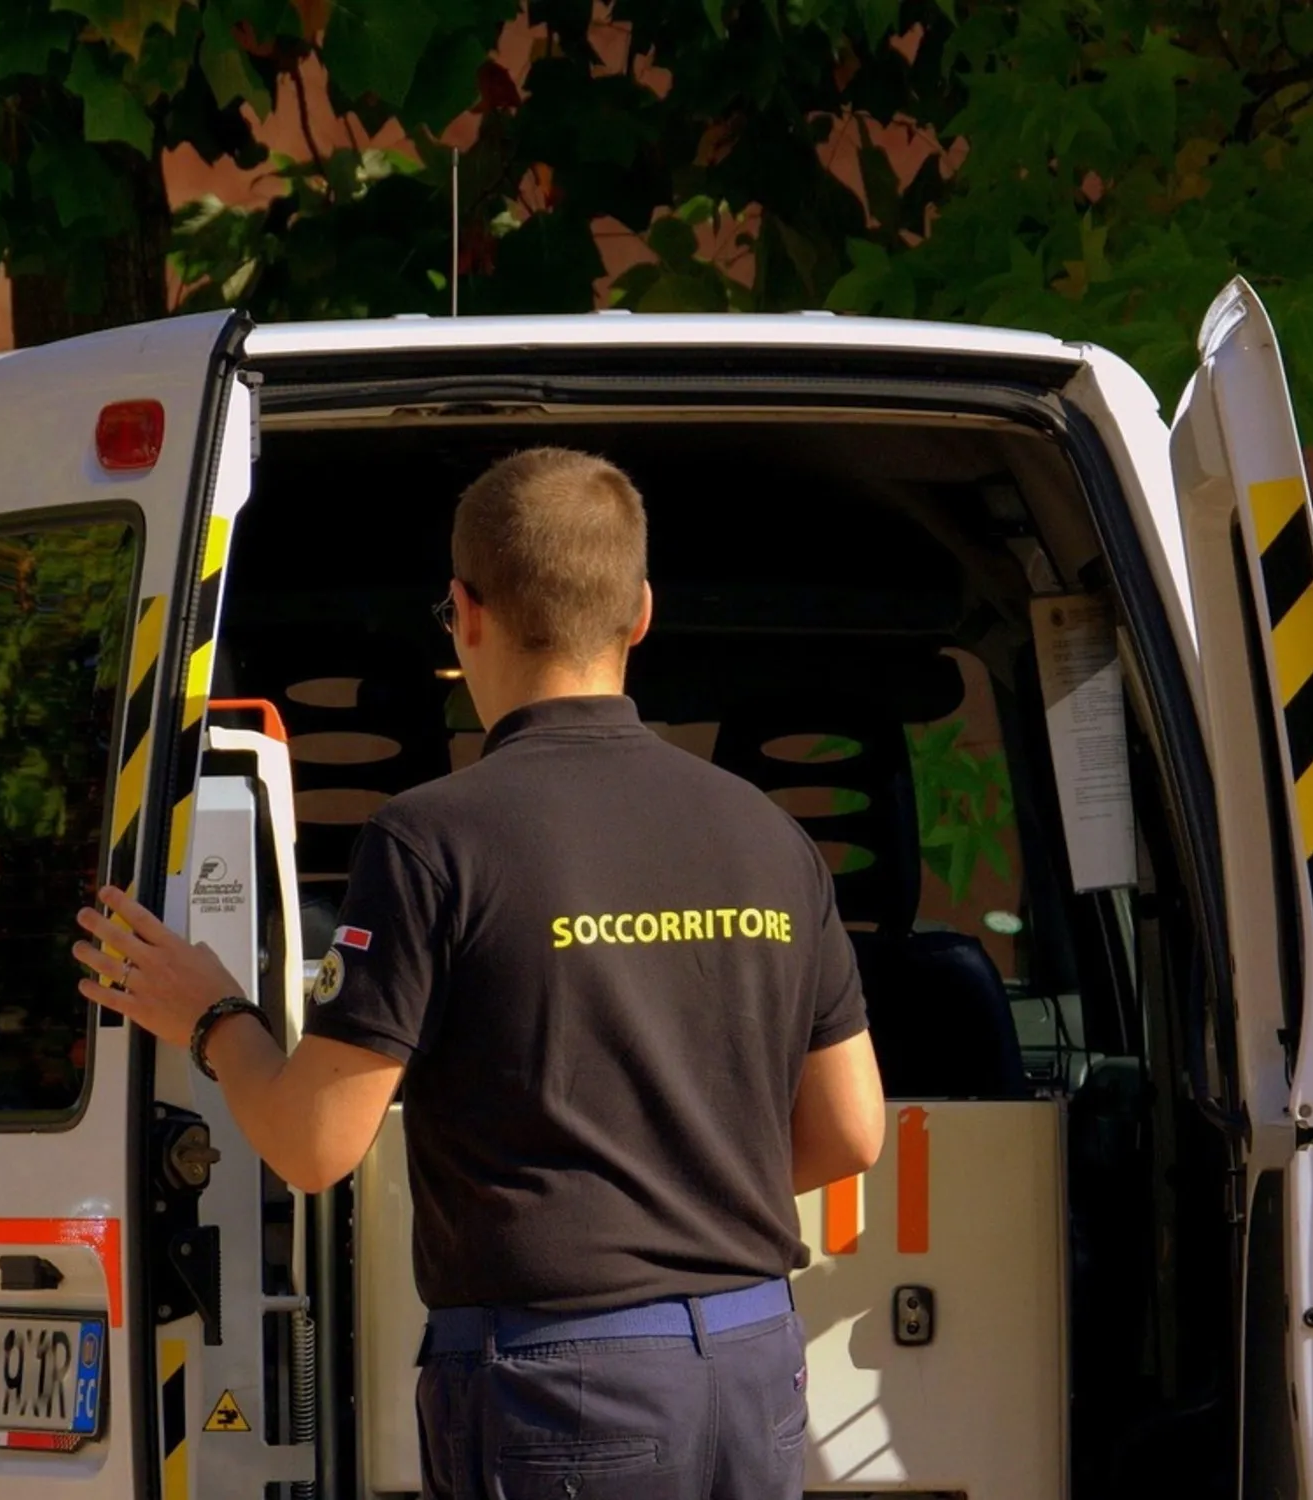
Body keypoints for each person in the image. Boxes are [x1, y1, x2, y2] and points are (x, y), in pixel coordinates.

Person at [74, 446, 887, 1500]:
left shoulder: (432, 840)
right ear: (638, 612)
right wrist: (672, 1191)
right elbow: (849, 1133)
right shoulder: (769, 837)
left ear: (462, 611)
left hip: (565, 1389)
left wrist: (211, 1010)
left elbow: (313, 1146)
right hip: (750, 1363)